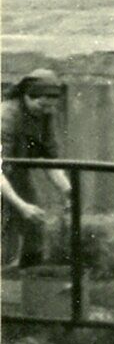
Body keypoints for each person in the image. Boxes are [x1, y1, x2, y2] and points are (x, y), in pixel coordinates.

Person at [1, 69, 71, 269]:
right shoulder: (6, 116)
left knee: (35, 225)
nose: (45, 109)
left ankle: (30, 280)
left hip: (16, 175)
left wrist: (68, 192)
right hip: (2, 176)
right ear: (26, 96)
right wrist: (20, 205)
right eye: (41, 104)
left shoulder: (45, 115)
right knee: (6, 233)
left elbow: (48, 159)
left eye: (50, 105)